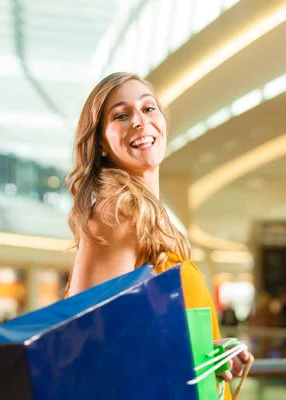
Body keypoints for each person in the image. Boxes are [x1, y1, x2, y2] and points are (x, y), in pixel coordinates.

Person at [65, 72, 252, 395]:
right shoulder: (117, 215)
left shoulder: (151, 217)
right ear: (100, 143)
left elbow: (142, 338)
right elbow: (86, 347)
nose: (139, 121)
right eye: (121, 115)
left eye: (148, 109)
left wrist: (205, 350)